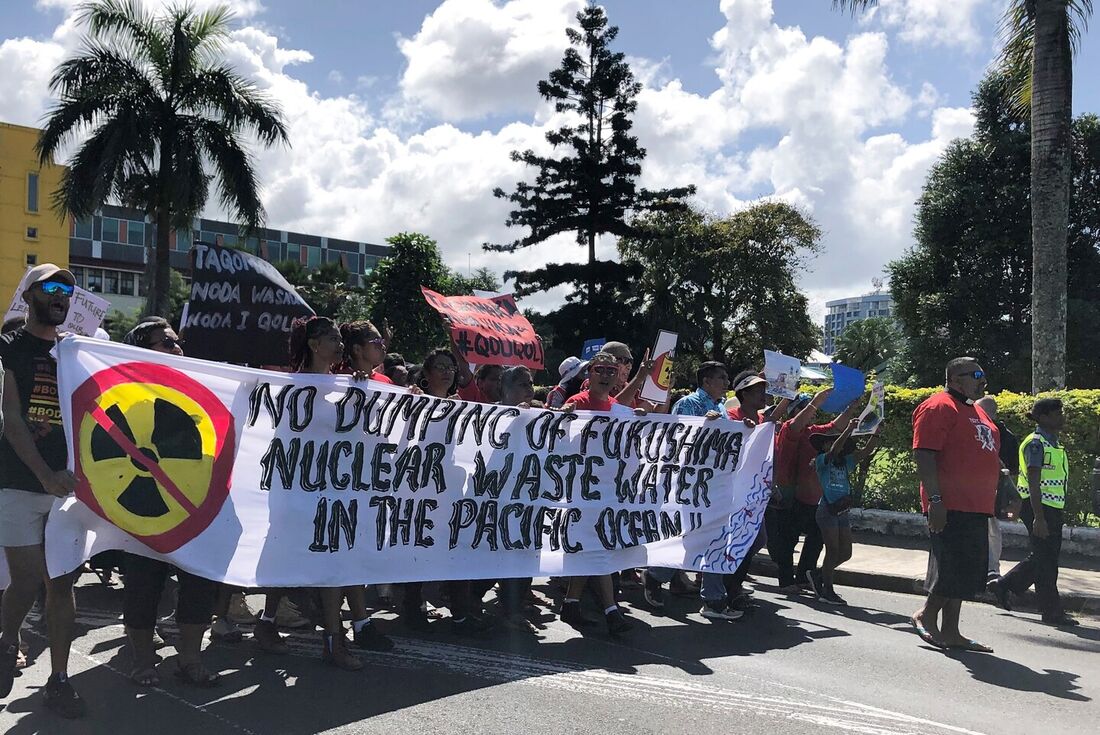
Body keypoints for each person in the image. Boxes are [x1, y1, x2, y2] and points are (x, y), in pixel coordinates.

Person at [0, 264, 85, 717]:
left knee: (62, 582)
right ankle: (7, 637)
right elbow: (12, 421)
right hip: (18, 481)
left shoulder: (78, 352)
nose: (62, 295)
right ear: (29, 294)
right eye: (52, 287)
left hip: (68, 488)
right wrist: (44, 476)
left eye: (68, 289)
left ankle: (59, 679)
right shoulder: (8, 348)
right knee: (28, 578)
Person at [118, 318, 221, 687]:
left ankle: (189, 660)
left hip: (192, 504)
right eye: (167, 342)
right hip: (141, 501)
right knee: (143, 584)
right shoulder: (123, 392)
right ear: (143, 349)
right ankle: (143, 660)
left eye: (178, 341)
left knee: (198, 582)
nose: (177, 348)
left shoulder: (197, 385)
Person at [910, 357, 1000, 652]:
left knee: (966, 573)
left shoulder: (977, 411)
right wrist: (935, 500)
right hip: (949, 504)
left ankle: (952, 631)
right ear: (955, 378)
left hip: (977, 505)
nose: (982, 380)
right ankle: (926, 616)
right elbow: (924, 454)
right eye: (976, 374)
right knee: (950, 569)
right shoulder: (938, 406)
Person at [402, 349, 494, 635]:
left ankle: (460, 615)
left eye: (450, 367)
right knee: (417, 550)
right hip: (419, 486)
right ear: (426, 375)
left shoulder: (461, 406)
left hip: (451, 487)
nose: (447, 372)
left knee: (456, 551)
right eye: (440, 367)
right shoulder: (413, 400)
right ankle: (410, 606)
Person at [642, 361, 738, 619]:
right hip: (690, 485)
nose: (726, 383)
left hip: (715, 485)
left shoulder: (721, 407)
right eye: (721, 378)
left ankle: (714, 600)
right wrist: (703, 426)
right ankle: (656, 575)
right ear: (706, 381)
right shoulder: (688, 404)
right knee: (690, 540)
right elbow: (675, 440)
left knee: (716, 540)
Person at [559, 353, 635, 635]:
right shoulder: (577, 403)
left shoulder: (617, 407)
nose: (605, 375)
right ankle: (610, 610)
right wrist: (563, 418)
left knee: (592, 547)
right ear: (589, 374)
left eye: (611, 371)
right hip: (580, 489)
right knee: (595, 547)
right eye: (599, 369)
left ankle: (572, 603)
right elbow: (557, 428)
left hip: (605, 490)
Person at [989, 398, 1078, 626]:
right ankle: (1051, 611)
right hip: (1039, 507)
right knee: (1047, 561)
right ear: (1043, 418)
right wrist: (1038, 517)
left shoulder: (1053, 443)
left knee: (1043, 556)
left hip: (1050, 507)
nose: (1062, 417)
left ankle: (1004, 585)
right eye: (1057, 414)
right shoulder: (1036, 444)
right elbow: (1034, 481)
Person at [768, 389, 860, 594]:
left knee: (816, 537)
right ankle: (786, 581)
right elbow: (796, 426)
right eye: (804, 408)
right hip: (788, 494)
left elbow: (835, 426)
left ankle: (803, 576)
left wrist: (850, 409)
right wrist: (816, 402)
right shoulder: (788, 428)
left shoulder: (813, 431)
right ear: (795, 412)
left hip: (811, 497)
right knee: (788, 539)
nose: (812, 413)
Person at [808, 415, 880, 605]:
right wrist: (848, 430)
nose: (832, 446)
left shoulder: (845, 462)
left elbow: (865, 452)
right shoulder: (823, 461)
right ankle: (827, 590)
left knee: (845, 552)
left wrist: (876, 434)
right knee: (833, 550)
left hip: (841, 511)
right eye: (828, 443)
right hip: (827, 510)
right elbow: (833, 451)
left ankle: (819, 574)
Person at [974, 396, 1021, 584]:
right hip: (977, 488)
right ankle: (986, 568)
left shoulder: (1003, 436)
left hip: (993, 489)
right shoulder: (983, 431)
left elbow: (1012, 469)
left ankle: (992, 570)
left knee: (991, 530)